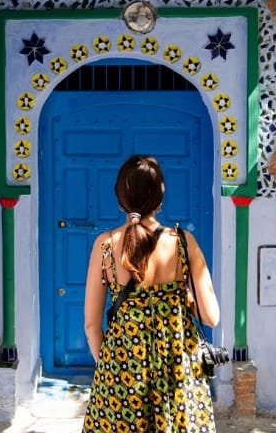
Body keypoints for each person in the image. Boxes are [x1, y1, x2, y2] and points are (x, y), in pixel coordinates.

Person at [82, 155, 220, 432]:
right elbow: (211, 318)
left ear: (120, 199)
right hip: (177, 374)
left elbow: (91, 326)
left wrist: (111, 369)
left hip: (121, 373)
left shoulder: (105, 245)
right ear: (160, 196)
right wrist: (183, 300)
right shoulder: (183, 242)